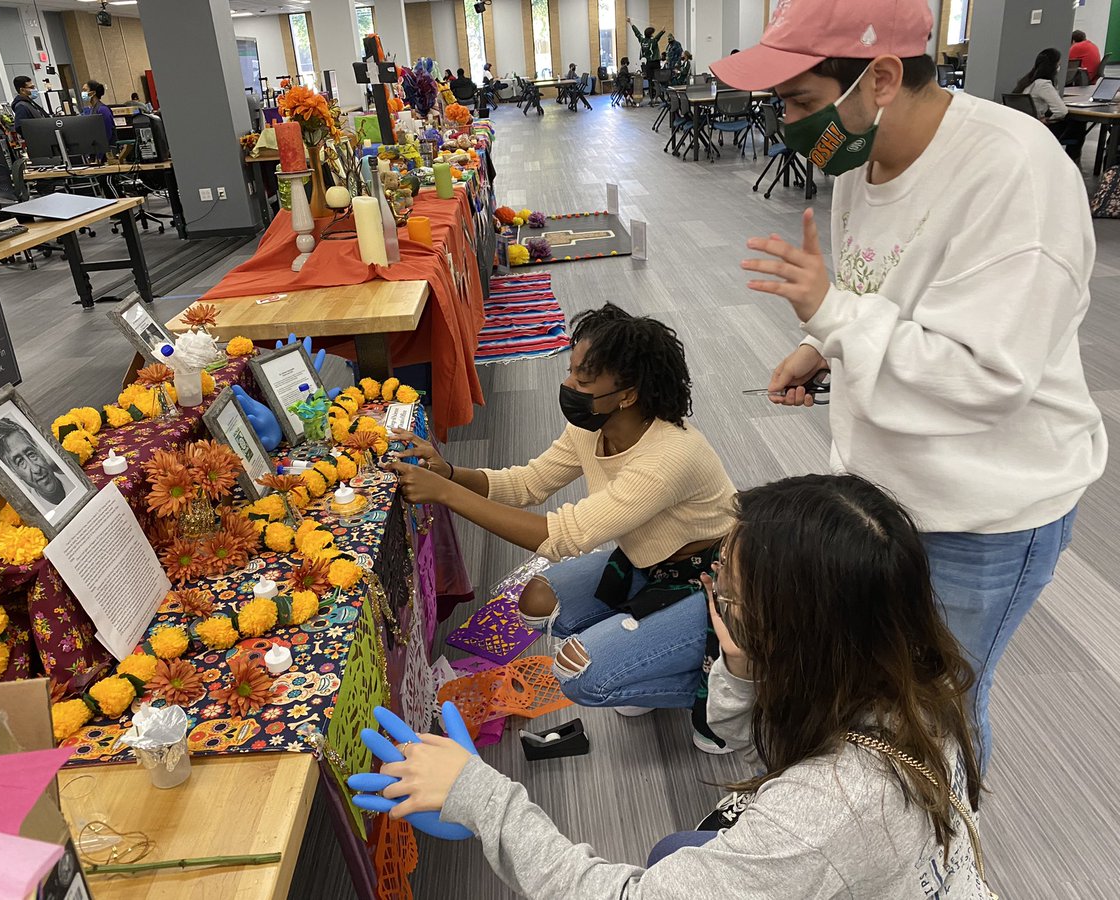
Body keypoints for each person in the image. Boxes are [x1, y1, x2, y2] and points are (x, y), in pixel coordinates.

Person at [712, 0, 1106, 770]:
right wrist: (820, 343)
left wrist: (832, 313)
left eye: (799, 101)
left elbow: (989, 376)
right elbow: (887, 295)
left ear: (881, 78)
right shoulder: (865, 156)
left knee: (939, 712)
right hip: (888, 498)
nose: (784, 123)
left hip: (983, 514)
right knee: (885, 697)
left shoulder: (1013, 176)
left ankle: (944, 863)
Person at [369, 475, 994, 899]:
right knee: (677, 849)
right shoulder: (912, 680)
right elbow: (760, 755)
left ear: (797, 637)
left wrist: (485, 799)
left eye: (729, 592)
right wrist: (742, 678)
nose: (714, 589)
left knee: (669, 860)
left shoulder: (826, 809)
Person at [388, 305, 738, 751]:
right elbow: (529, 483)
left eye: (584, 381)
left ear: (627, 395)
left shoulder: (668, 456)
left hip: (714, 581)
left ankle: (727, 692)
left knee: (582, 677)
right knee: (535, 602)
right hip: (649, 563)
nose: (569, 386)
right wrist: (452, 474)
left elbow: (563, 537)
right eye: (571, 371)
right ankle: (646, 652)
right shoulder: (594, 427)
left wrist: (445, 493)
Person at [0, 419, 72, 515]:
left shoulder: (77, 476)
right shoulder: (34, 515)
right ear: (14, 472)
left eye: (31, 454)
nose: (36, 469)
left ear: (40, 452)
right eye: (20, 462)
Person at [1016, 47, 1087, 162]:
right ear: (1052, 66)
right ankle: (1072, 160)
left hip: (1025, 125)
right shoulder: (1044, 85)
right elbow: (1061, 111)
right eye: (1058, 64)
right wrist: (1048, 120)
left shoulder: (1026, 82)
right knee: (1079, 123)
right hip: (1039, 127)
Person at [628, 16, 665, 100]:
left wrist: (630, 22)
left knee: (650, 80)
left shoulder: (642, 40)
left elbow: (636, 33)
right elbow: (658, 37)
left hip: (648, 63)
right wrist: (662, 31)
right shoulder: (653, 41)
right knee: (657, 80)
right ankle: (660, 96)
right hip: (655, 63)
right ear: (651, 34)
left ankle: (651, 98)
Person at [81, 80, 115, 147]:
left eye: (85, 90)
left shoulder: (103, 110)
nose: (82, 93)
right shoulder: (92, 109)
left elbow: (108, 132)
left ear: (92, 93)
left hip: (106, 149)